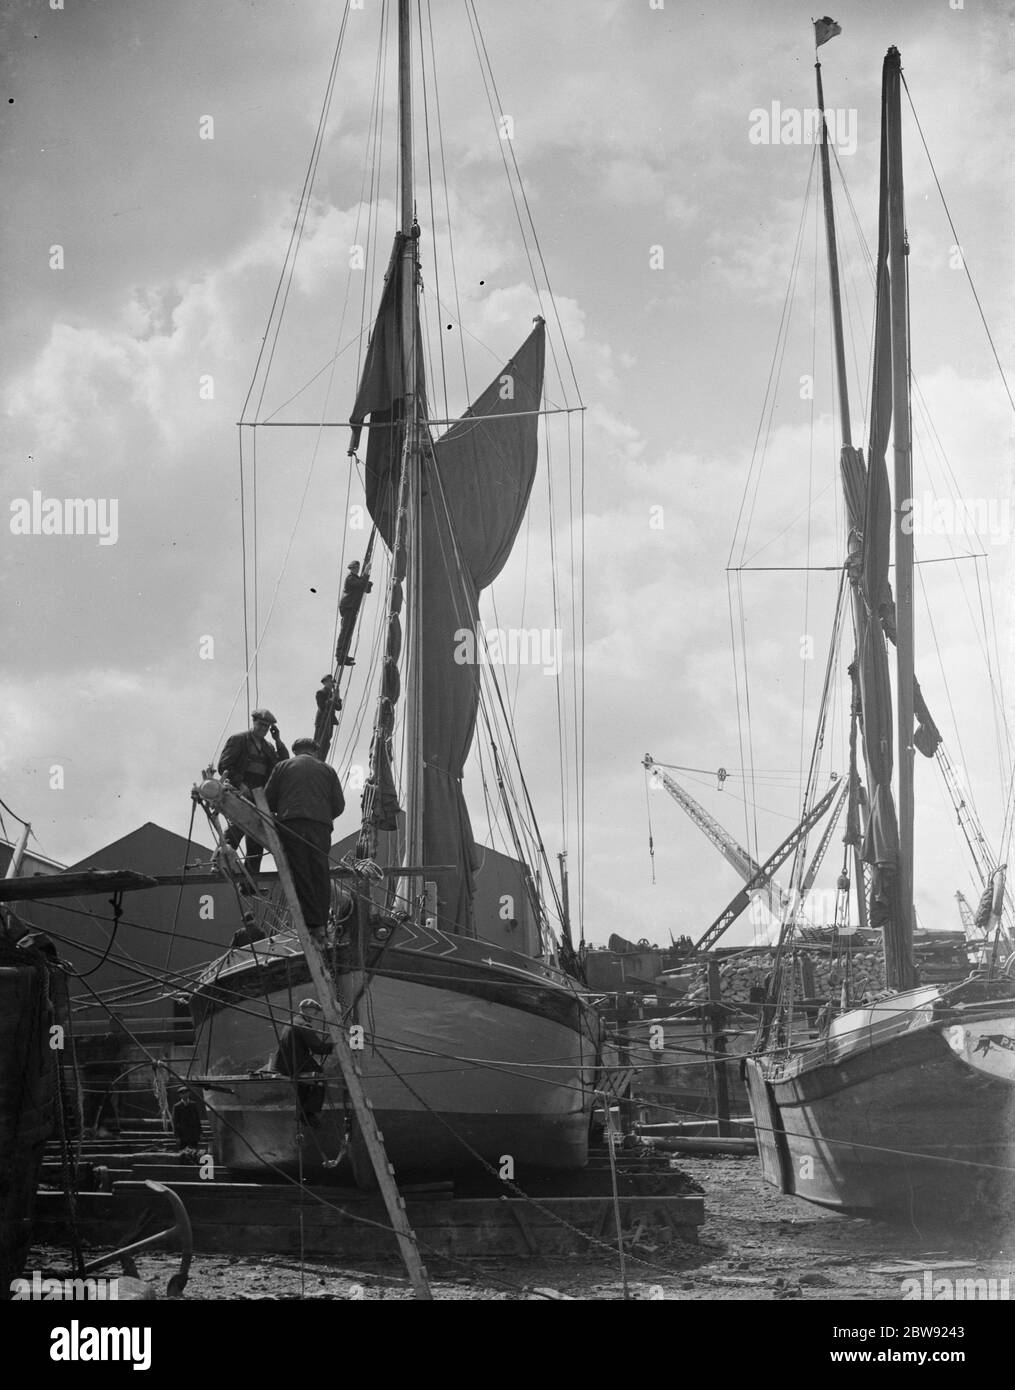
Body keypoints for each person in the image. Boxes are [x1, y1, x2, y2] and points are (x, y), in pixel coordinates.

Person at [264, 737, 345, 933]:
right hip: (321, 827)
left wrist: (284, 809)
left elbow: (268, 800)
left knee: (301, 872)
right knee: (320, 872)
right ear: (314, 751)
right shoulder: (328, 770)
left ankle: (311, 923)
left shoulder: (282, 767)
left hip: (292, 824)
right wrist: (322, 816)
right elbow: (339, 805)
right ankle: (322, 923)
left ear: (295, 751)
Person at [218, 709, 290, 873]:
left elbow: (283, 763)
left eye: (267, 727)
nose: (263, 729)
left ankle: (251, 878)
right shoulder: (238, 740)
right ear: (254, 722)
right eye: (261, 725)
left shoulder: (268, 747)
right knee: (238, 826)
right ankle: (219, 862)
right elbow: (224, 765)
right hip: (239, 792)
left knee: (258, 834)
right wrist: (240, 783)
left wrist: (278, 740)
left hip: (260, 796)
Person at [272, 998, 334, 1125]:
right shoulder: (303, 1025)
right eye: (315, 1012)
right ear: (307, 1011)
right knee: (319, 1074)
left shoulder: (291, 1022)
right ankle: (309, 1113)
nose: (315, 1016)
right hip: (294, 1063)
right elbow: (318, 1048)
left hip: (282, 1064)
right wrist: (334, 1045)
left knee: (304, 1081)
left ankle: (300, 1111)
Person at [335, 560, 372, 666]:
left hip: (352, 608)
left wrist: (367, 583)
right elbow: (360, 584)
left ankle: (343, 656)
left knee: (348, 633)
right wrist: (366, 572)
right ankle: (340, 656)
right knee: (345, 632)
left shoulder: (356, 578)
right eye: (353, 568)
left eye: (356, 568)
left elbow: (364, 588)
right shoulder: (350, 578)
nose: (355, 570)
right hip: (348, 607)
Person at [313, 674, 341, 756]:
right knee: (319, 741)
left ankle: (322, 759)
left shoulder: (332, 694)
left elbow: (338, 707)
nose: (332, 684)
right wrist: (332, 699)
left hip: (330, 721)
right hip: (322, 720)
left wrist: (338, 697)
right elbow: (322, 706)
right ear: (325, 682)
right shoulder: (320, 692)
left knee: (326, 742)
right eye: (330, 682)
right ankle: (315, 757)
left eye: (332, 682)